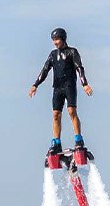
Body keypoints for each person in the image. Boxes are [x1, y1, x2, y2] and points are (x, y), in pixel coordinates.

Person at [27, 27, 93, 157]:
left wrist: (84, 84)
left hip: (69, 86)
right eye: (53, 40)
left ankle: (78, 139)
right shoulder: (53, 55)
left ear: (63, 39)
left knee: (71, 112)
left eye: (57, 39)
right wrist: (35, 85)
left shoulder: (72, 52)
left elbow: (79, 68)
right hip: (57, 87)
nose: (55, 42)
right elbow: (44, 70)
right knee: (56, 114)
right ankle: (56, 142)